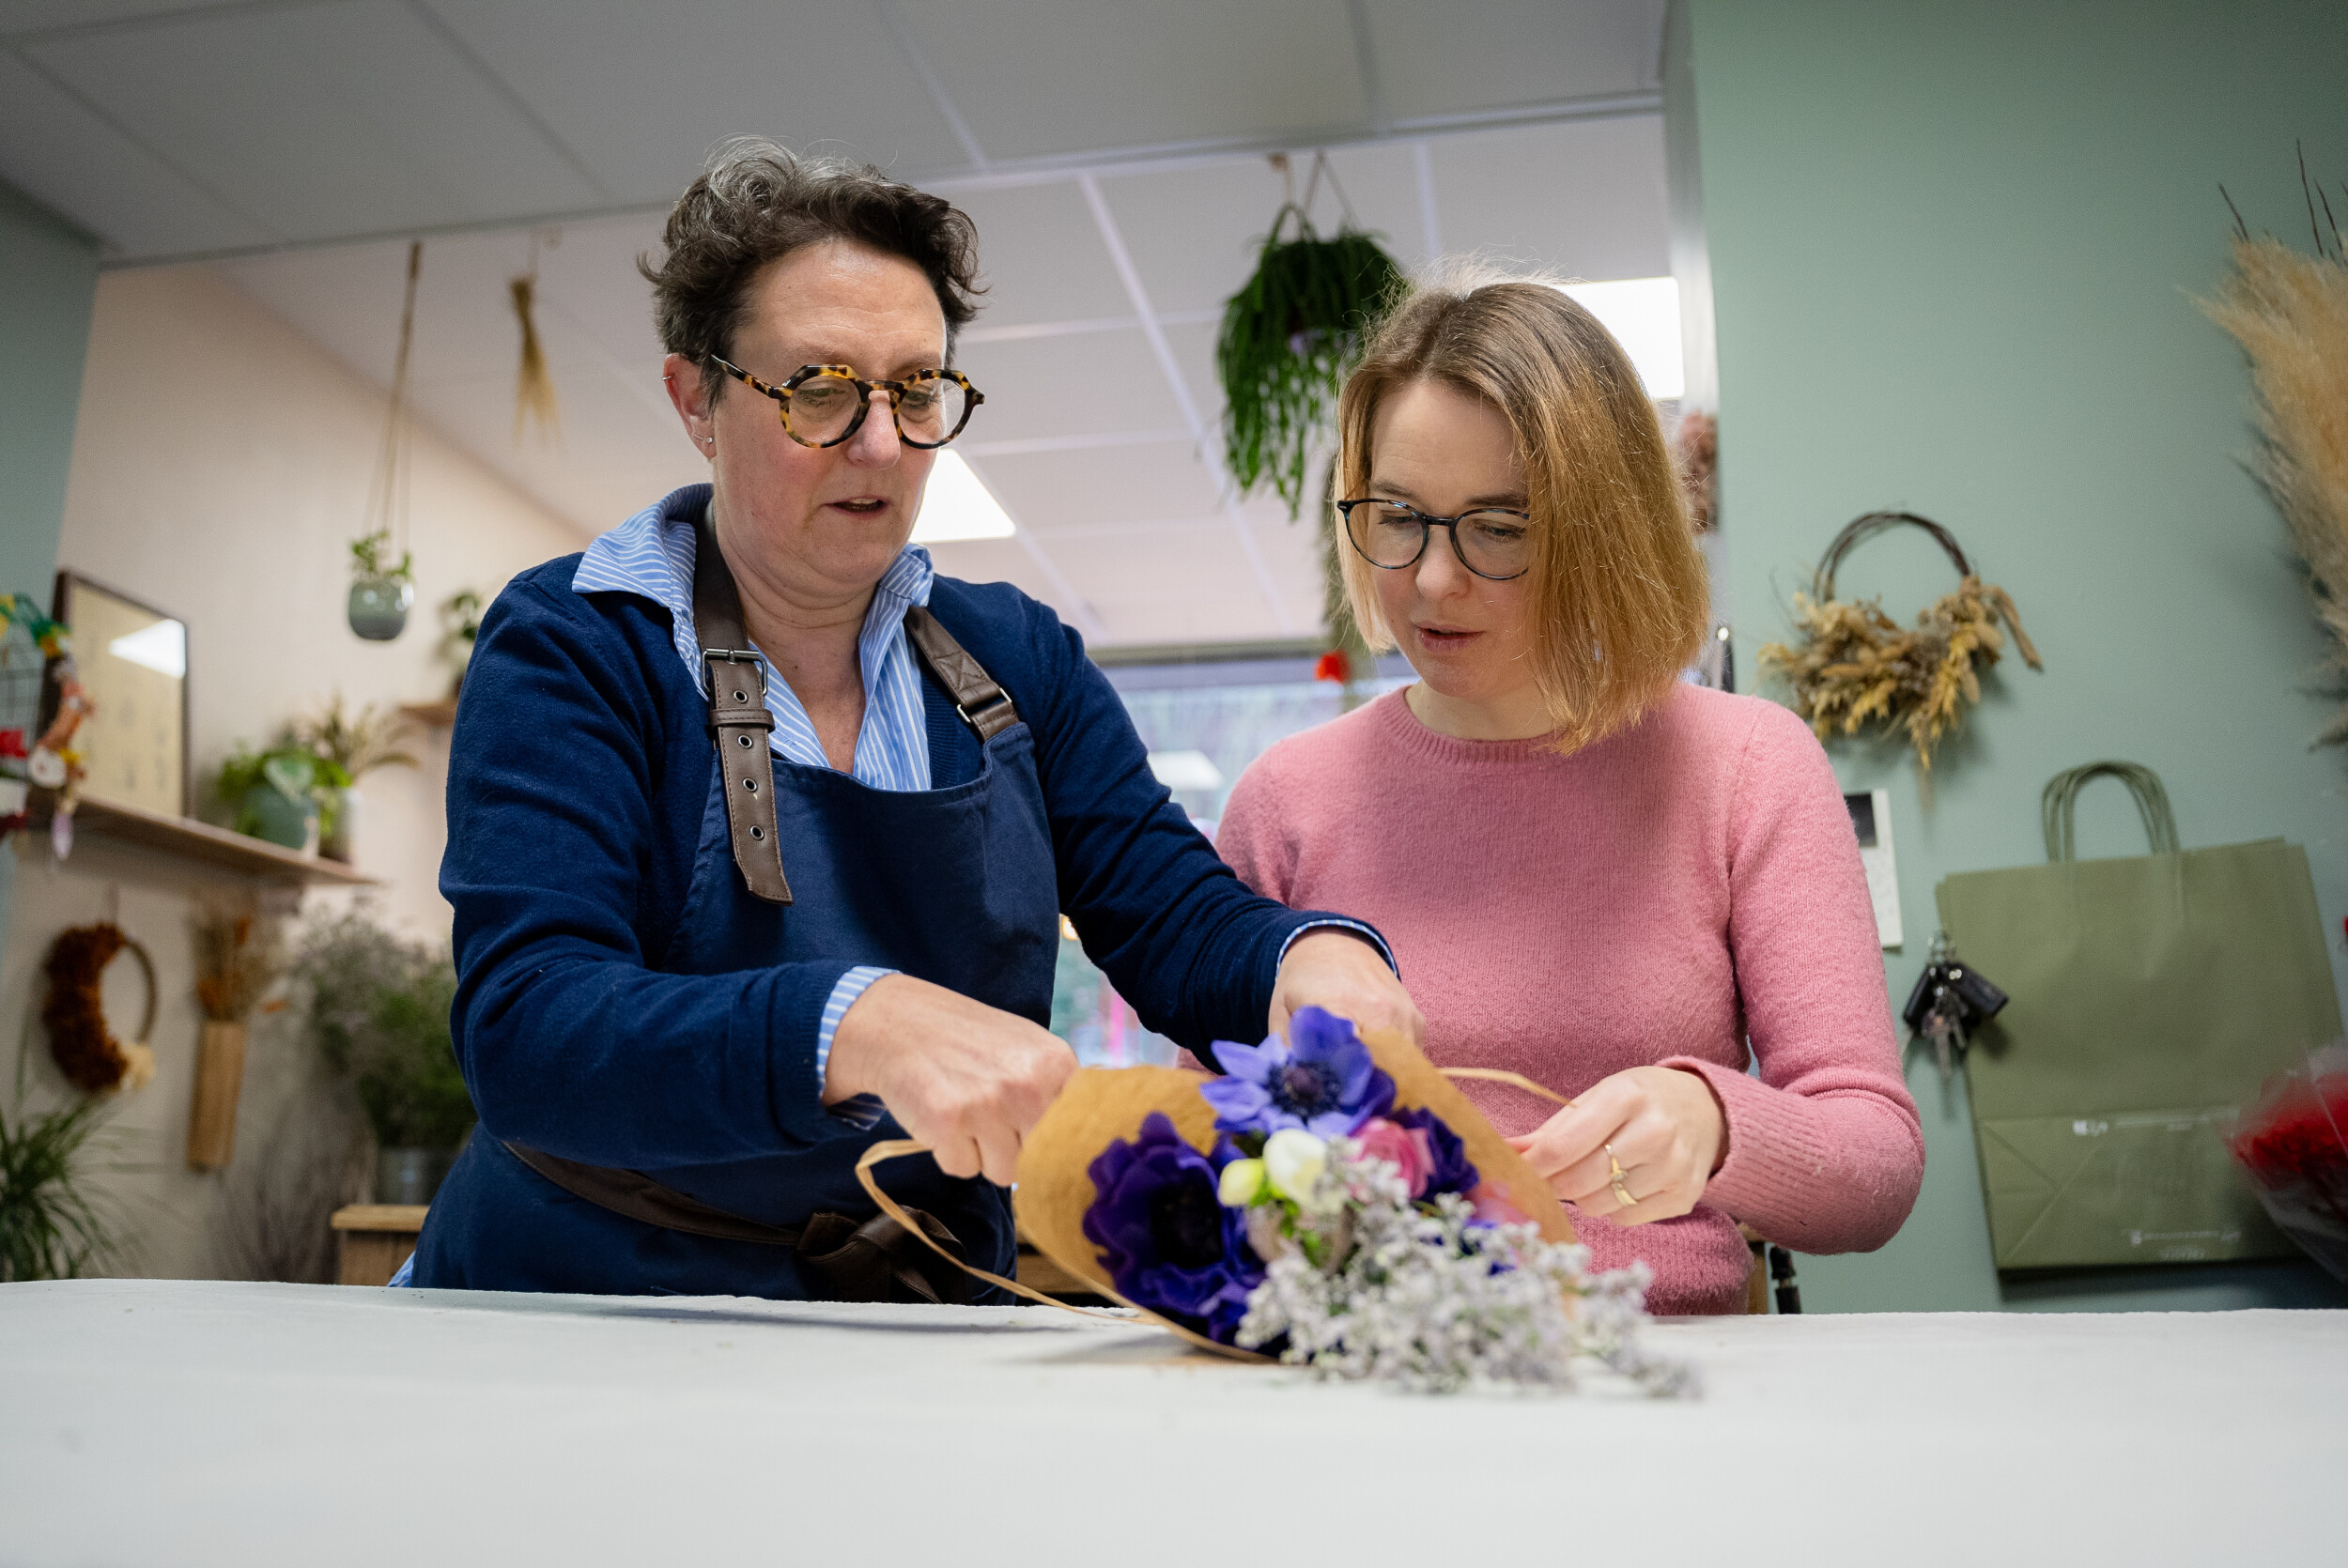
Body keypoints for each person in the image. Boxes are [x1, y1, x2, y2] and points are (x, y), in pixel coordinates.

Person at [408, 140, 1418, 1300]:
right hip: (583, 1296)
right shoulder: (578, 642)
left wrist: (1311, 956)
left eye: (916, 389)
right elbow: (530, 1023)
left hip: (917, 1303)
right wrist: (853, 1021)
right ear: (697, 398)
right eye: (821, 390)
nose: (883, 445)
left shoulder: (1017, 656)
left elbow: (1174, 914)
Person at [1213, 265, 1923, 1314]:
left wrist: (1715, 1121)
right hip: (1362, 1379)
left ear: (1604, 529)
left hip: (1671, 1380)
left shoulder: (1747, 766)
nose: (1434, 580)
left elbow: (1876, 1162)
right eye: (1399, 515)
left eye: (1498, 526)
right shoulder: (1284, 801)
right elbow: (1198, 1144)